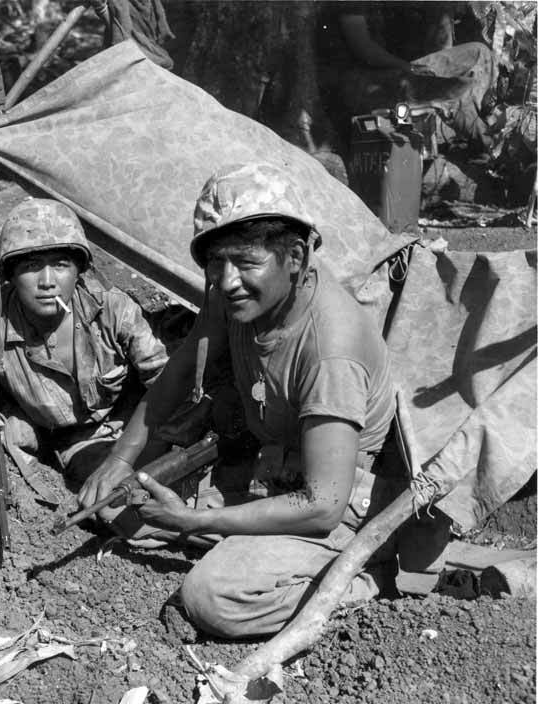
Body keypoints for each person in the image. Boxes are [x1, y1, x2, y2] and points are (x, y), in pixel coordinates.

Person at [78, 163, 400, 639]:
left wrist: (193, 520)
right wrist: (121, 458)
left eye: (246, 263)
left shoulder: (332, 349)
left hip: (336, 506)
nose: (226, 281)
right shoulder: (236, 294)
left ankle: (368, 574)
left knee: (211, 598)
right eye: (215, 263)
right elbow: (184, 365)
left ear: (294, 256)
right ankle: (237, 539)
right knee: (116, 505)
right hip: (270, 472)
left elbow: (322, 506)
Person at [0, 198, 169, 483]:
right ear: (11, 276)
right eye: (31, 266)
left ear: (79, 271)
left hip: (139, 423)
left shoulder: (112, 310)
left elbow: (164, 379)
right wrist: (0, 430)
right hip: (74, 444)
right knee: (115, 501)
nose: (47, 281)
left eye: (61, 264)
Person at [317, 1, 495, 150]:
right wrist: (405, 67)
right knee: (448, 90)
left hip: (392, 74)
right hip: (361, 84)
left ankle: (479, 128)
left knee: (479, 53)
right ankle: (488, 143)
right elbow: (363, 49)